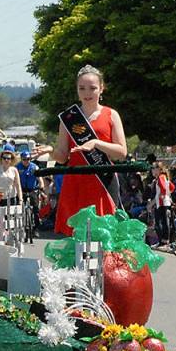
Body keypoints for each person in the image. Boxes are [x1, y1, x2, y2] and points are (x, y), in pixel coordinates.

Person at [49, 65, 128, 236]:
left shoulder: (111, 114)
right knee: (78, 238)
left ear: (101, 89)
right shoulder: (68, 118)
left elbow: (122, 152)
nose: (87, 93)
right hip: (76, 182)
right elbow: (62, 157)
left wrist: (96, 143)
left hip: (102, 181)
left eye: (92, 88)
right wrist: (50, 151)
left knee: (106, 234)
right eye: (82, 88)